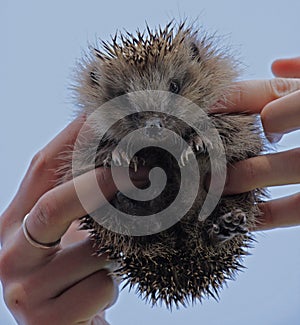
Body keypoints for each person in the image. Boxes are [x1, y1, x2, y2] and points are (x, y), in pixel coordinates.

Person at [0, 57, 299, 325]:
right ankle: (211, 231)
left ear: (196, 63)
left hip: (205, 208)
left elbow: (242, 142)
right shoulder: (103, 142)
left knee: (228, 159)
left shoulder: (218, 110)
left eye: (171, 89)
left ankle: (214, 231)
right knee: (125, 211)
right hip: (151, 228)